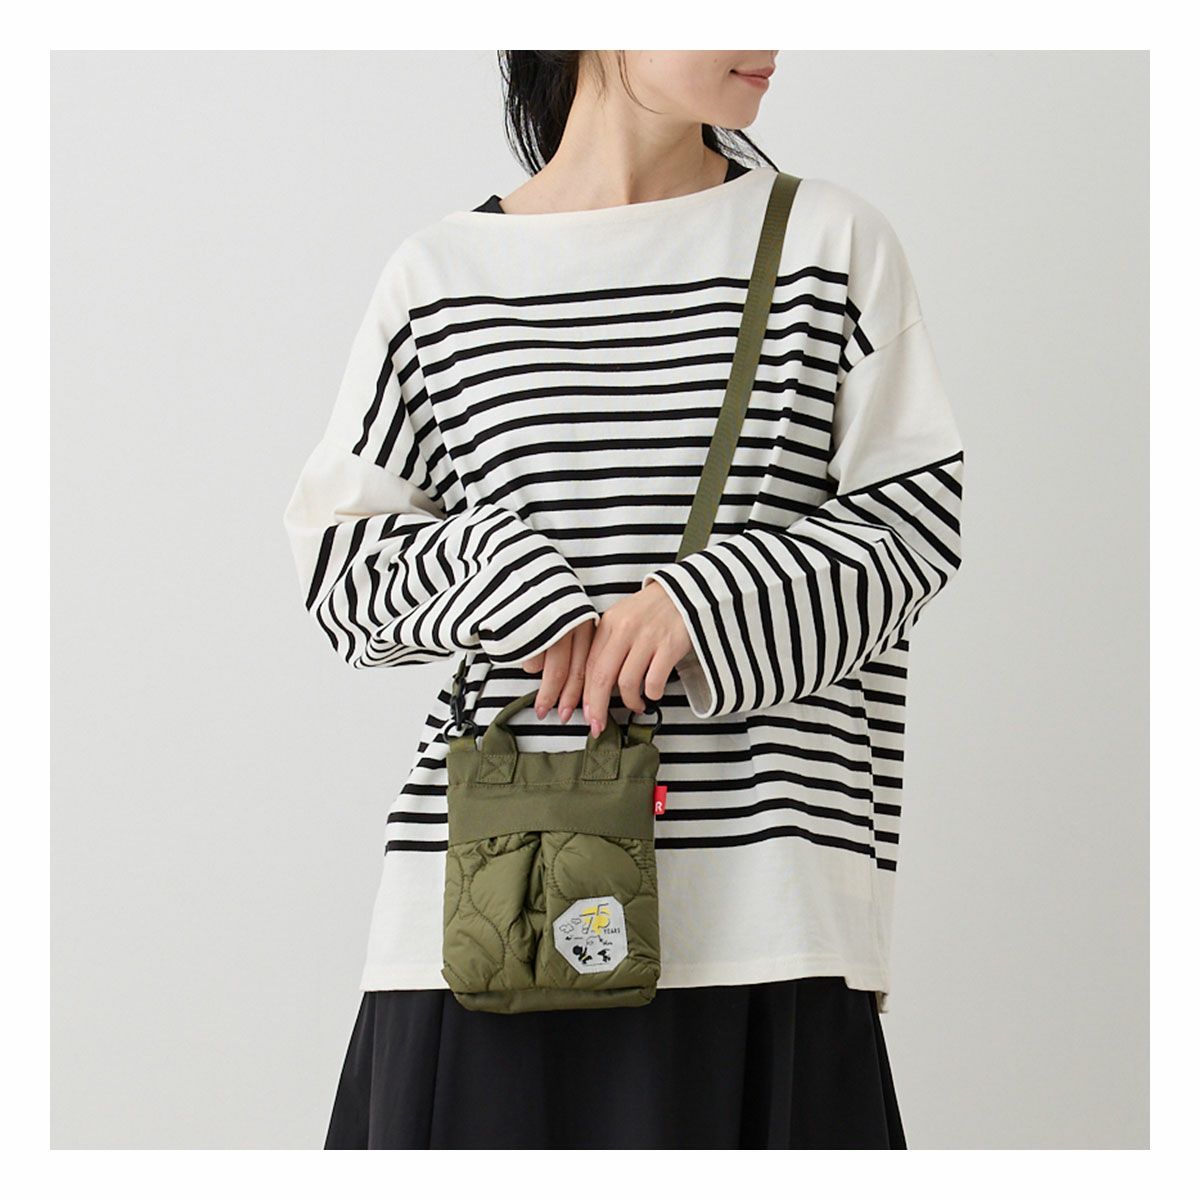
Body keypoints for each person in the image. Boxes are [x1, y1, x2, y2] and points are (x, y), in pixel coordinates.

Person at [282, 49, 965, 1149]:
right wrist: (506, 578)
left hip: (761, 913)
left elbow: (914, 526)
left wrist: (704, 604)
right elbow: (340, 564)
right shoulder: (442, 276)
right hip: (490, 919)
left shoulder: (828, 244)